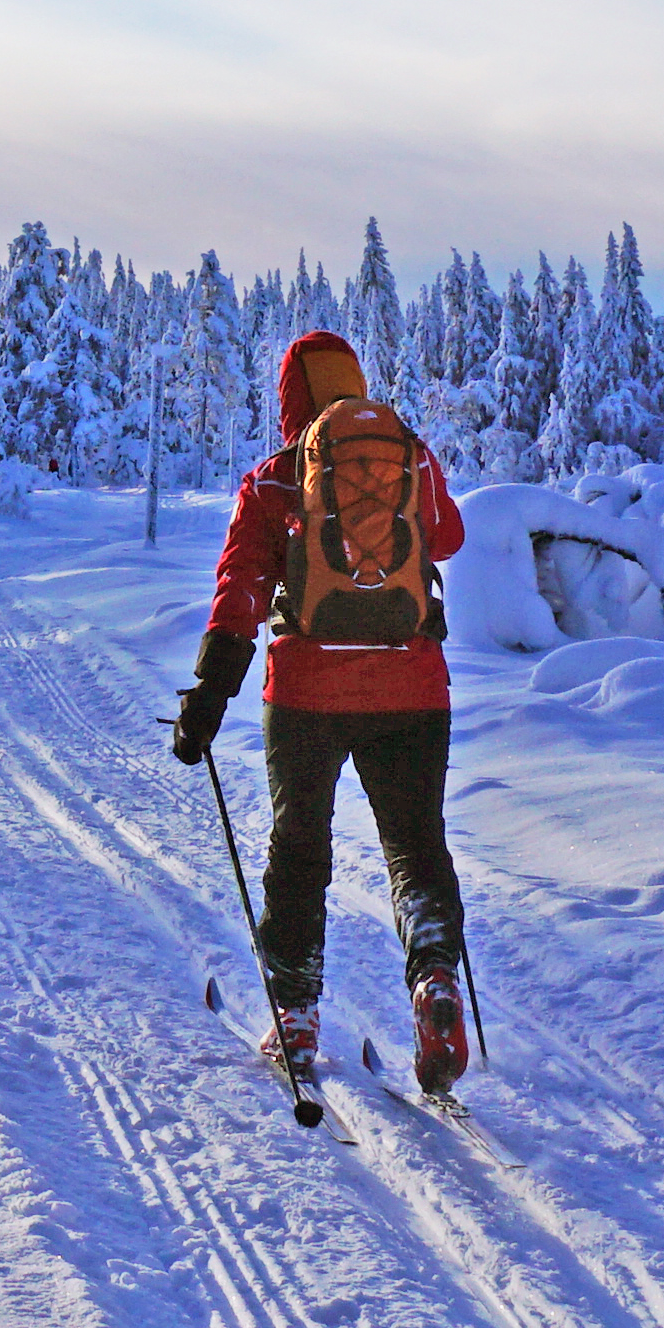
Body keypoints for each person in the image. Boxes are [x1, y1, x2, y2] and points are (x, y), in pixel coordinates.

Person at [172, 327, 476, 1101]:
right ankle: (435, 979)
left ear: (289, 400)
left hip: (305, 692)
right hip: (412, 688)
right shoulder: (410, 455)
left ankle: (297, 1014)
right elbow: (449, 535)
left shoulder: (274, 480)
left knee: (299, 849)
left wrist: (210, 694)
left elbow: (240, 588)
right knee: (415, 847)